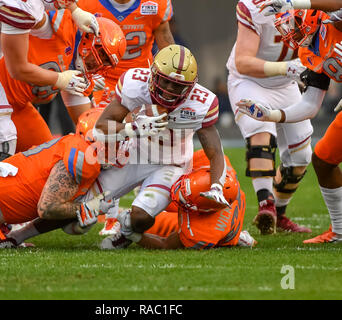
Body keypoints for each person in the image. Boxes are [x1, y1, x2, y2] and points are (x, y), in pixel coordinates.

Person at [0, 14, 126, 191]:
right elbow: (31, 9)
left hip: (17, 109)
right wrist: (73, 9)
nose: (98, 64)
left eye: (105, 62)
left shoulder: (80, 74)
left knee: (49, 161)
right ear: (87, 37)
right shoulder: (60, 26)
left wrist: (113, 142)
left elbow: (87, 122)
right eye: (99, 55)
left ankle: (0, 219)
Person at [93, 44, 229, 249]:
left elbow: (216, 152)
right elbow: (102, 127)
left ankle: (127, 230)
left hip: (171, 165)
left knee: (140, 218)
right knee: (86, 207)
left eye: (177, 86)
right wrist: (134, 128)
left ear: (191, 87)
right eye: (165, 81)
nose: (168, 91)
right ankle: (28, 226)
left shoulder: (202, 103)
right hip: (135, 154)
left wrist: (217, 186)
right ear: (153, 73)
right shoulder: (134, 83)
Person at [0, 0, 98, 162]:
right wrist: (60, 79)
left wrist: (75, 10)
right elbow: (18, 69)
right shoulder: (21, 8)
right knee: (3, 139)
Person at [236, 9, 342, 243]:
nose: (290, 32)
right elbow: (310, 105)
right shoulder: (311, 49)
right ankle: (339, 232)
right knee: (323, 159)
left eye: (295, 23)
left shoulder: (335, 20)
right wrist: (272, 115)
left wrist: (295, 2)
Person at [75, 0, 175, 236]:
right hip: (103, 79)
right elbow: (72, 42)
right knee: (100, 143)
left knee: (145, 147)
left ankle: (129, 210)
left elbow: (168, 48)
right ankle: (104, 211)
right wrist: (82, 73)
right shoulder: (86, 4)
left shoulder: (156, 4)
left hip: (142, 82)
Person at [0, 127, 117, 250]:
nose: (120, 146)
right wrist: (87, 209)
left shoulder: (79, 150)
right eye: (115, 140)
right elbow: (47, 207)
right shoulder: (80, 155)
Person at [226, 0, 312, 235]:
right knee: (261, 133)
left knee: (301, 156)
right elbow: (243, 62)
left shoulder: (311, 4)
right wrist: (286, 68)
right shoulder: (254, 6)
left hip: (287, 84)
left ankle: (280, 214)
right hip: (250, 81)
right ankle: (267, 205)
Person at [132, 150, 257, 250]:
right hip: (224, 208)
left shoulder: (202, 233)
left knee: (135, 220)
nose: (179, 192)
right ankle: (234, 237)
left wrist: (133, 236)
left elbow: (165, 244)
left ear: (203, 210)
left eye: (185, 194)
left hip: (210, 224)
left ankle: (228, 239)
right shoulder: (213, 163)